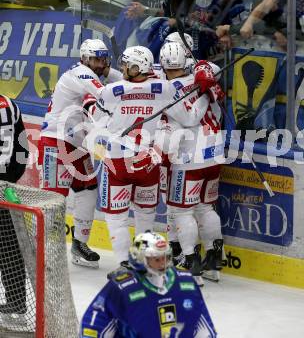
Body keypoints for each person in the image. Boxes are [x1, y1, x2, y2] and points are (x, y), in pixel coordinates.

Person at [86, 45, 213, 267]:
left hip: (118, 163)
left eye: (126, 64)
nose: (123, 67)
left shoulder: (110, 91)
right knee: (145, 215)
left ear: (137, 66)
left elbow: (95, 122)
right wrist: (204, 94)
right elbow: (190, 118)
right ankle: (142, 261)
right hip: (148, 163)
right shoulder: (163, 88)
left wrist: (89, 105)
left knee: (117, 218)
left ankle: (125, 263)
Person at [38, 38, 120, 268]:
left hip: (76, 143)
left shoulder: (88, 73)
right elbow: (106, 97)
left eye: (104, 59)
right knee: (53, 199)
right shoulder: (82, 74)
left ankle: (79, 244)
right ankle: (46, 250)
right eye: (96, 59)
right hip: (56, 140)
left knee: (89, 191)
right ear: (85, 59)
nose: (100, 64)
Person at [157, 42, 224, 283]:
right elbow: (211, 67)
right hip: (214, 152)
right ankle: (214, 259)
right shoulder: (201, 75)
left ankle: (190, 261)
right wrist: (206, 85)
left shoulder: (168, 89)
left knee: (181, 211)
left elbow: (190, 117)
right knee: (205, 208)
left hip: (189, 159)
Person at [80, 231, 217, 338]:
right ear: (139, 259)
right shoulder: (121, 288)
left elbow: (204, 329)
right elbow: (93, 326)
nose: (162, 264)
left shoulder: (186, 281)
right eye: (156, 259)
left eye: (165, 257)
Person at [0, 95, 29, 314]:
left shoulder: (4, 106)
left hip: (2, 185)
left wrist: (6, 180)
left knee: (7, 243)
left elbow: (7, 151)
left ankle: (17, 301)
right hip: (6, 179)